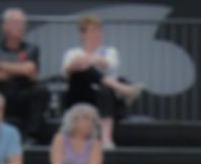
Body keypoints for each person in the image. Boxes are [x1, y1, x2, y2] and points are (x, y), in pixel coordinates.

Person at [61, 14, 143, 151]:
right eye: (92, 31)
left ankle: (106, 139)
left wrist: (88, 61)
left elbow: (109, 64)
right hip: (81, 96)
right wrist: (85, 62)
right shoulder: (72, 53)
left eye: (99, 31)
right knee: (83, 71)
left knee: (102, 87)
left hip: (105, 97)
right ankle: (124, 90)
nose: (96, 34)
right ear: (83, 33)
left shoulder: (110, 51)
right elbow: (67, 70)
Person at [0, 8, 48, 143]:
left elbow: (30, 70)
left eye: (22, 23)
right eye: (15, 23)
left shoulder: (31, 48)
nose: (20, 27)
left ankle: (31, 136)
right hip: (1, 93)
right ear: (4, 26)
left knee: (41, 91)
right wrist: (19, 70)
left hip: (23, 93)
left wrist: (0, 65)